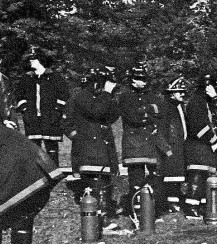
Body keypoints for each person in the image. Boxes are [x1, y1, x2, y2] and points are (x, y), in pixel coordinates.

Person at [63, 67, 121, 229]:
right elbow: (96, 112)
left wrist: (111, 97)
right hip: (89, 148)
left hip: (103, 146)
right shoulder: (82, 97)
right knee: (96, 180)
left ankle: (104, 215)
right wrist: (79, 137)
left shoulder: (101, 97)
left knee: (105, 180)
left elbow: (113, 116)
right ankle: (100, 219)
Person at [118, 65, 172, 217]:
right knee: (136, 179)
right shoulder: (125, 96)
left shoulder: (153, 96)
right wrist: (149, 111)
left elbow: (161, 112)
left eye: (143, 79)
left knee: (155, 178)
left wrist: (144, 110)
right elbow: (133, 118)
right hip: (133, 143)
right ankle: (136, 212)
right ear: (132, 80)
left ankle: (153, 210)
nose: (141, 82)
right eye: (137, 79)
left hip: (150, 142)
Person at [14, 47, 70, 165]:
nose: (31, 61)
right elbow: (19, 96)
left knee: (51, 148)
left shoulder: (55, 77)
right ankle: (37, 176)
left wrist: (56, 111)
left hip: (50, 118)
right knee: (34, 148)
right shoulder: (26, 78)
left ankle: (55, 174)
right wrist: (25, 110)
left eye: (33, 59)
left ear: (40, 60)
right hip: (32, 118)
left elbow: (64, 95)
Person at [183, 75, 217, 219]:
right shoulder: (196, 102)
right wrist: (212, 140)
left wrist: (214, 99)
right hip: (198, 145)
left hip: (206, 145)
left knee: (207, 175)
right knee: (197, 175)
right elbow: (198, 126)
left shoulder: (206, 101)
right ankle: (191, 206)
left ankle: (201, 205)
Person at [160, 76, 189, 213]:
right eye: (179, 91)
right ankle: (171, 202)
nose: (183, 94)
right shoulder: (167, 107)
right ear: (171, 93)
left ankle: (175, 199)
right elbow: (162, 129)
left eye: (183, 91)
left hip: (179, 144)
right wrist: (166, 148)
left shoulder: (180, 107)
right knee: (171, 175)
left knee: (178, 174)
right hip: (171, 145)